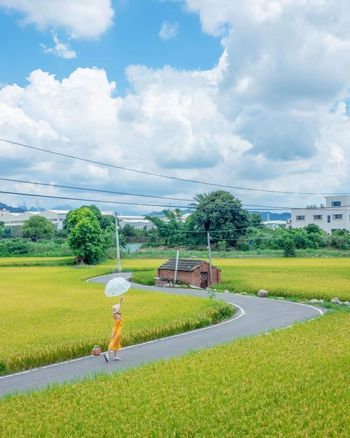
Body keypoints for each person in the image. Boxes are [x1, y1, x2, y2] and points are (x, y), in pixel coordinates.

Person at [104, 296, 124, 362]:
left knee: (116, 343)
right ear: (117, 310)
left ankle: (115, 356)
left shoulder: (115, 314)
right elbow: (118, 312)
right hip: (117, 331)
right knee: (113, 342)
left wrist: (120, 301)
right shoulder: (117, 315)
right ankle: (107, 354)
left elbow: (118, 308)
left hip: (118, 331)